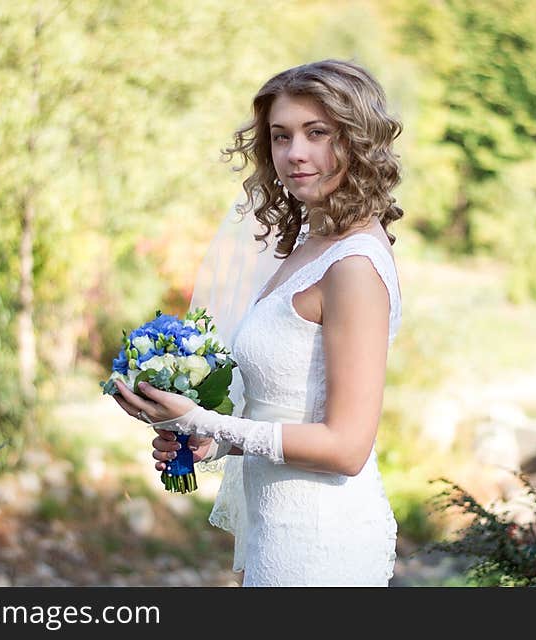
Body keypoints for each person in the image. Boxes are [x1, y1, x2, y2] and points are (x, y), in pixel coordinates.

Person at [113, 59, 404, 586]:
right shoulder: (310, 247)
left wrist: (203, 422)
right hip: (277, 530)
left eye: (318, 133)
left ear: (358, 140)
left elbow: (346, 447)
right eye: (280, 136)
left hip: (322, 540)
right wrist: (210, 443)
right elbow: (285, 407)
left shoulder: (354, 266)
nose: (296, 153)